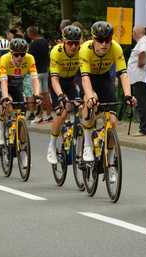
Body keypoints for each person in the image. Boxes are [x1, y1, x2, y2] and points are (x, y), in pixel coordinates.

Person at [79, 21, 136, 162]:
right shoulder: (85, 49)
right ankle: (86, 144)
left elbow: (123, 73)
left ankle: (110, 158)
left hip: (104, 78)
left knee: (112, 121)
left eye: (107, 40)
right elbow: (85, 78)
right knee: (90, 101)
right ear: (93, 39)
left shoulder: (116, 48)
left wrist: (128, 94)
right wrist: (90, 96)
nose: (104, 44)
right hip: (88, 77)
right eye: (100, 40)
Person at [0, 38, 41, 166]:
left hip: (17, 84)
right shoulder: (4, 59)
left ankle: (22, 151)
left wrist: (36, 94)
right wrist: (5, 97)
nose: (20, 57)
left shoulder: (30, 59)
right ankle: (0, 124)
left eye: (22, 54)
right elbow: (3, 82)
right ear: (11, 53)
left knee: (21, 117)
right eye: (16, 55)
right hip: (4, 82)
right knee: (7, 103)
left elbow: (35, 79)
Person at [46, 25, 82, 164]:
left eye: (76, 43)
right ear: (63, 42)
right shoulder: (56, 51)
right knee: (62, 113)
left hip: (72, 80)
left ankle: (81, 146)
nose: (73, 46)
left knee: (83, 109)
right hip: (57, 82)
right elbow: (54, 79)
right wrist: (61, 95)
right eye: (70, 43)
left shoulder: (82, 51)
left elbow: (84, 74)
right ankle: (52, 144)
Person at [127, 25, 146, 136]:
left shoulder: (143, 41)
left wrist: (140, 63)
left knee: (142, 103)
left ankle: (145, 128)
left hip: (141, 77)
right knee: (144, 102)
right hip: (140, 77)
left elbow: (142, 52)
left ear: (135, 32)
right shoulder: (145, 41)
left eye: (133, 32)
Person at [27, 26, 52, 124]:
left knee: (37, 95)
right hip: (45, 71)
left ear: (31, 34)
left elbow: (29, 58)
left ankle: (38, 116)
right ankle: (49, 114)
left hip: (35, 72)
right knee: (45, 94)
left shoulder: (33, 44)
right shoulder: (45, 42)